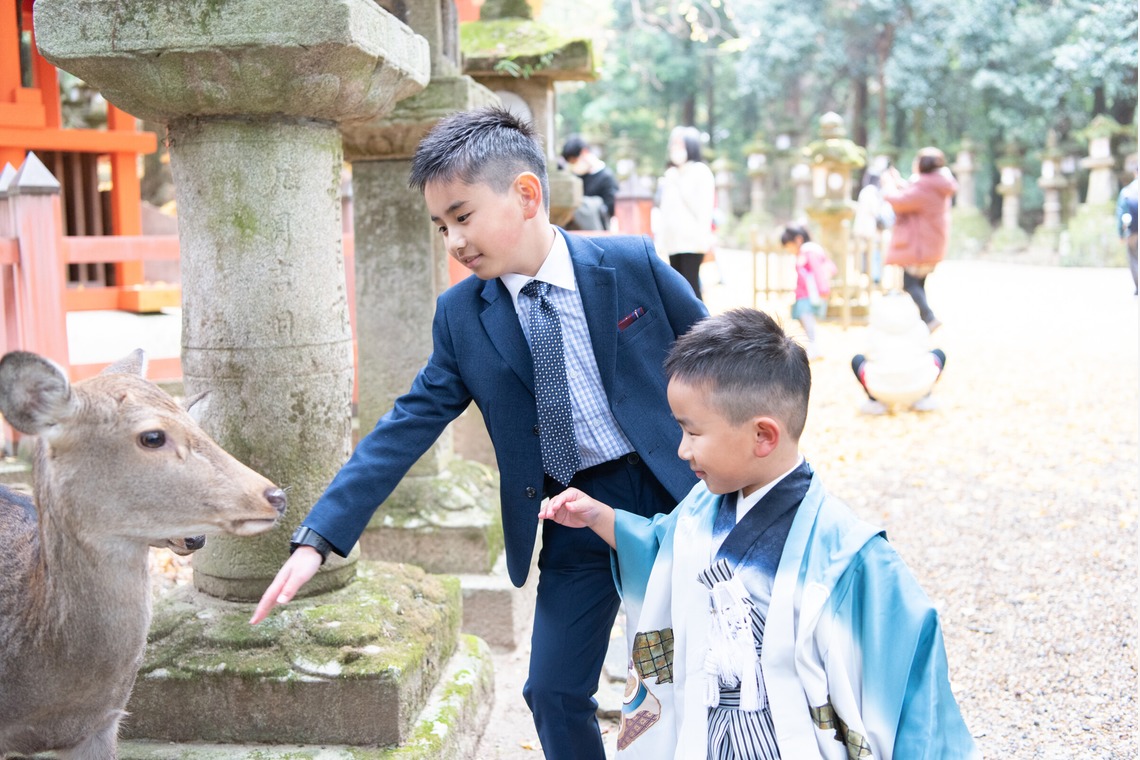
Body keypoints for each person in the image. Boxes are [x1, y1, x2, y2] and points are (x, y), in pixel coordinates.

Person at [250, 106, 709, 760]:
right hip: (572, 511)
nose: (453, 242)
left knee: (693, 669)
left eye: (462, 217)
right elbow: (404, 426)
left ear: (525, 194)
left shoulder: (627, 262)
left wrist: (768, 469)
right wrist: (318, 537)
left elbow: (725, 355)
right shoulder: (463, 316)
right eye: (441, 226)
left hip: (676, 491)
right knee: (551, 691)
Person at [539, 308, 978, 759]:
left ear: (763, 435)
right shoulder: (697, 513)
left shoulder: (848, 557)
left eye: (693, 431)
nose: (682, 449)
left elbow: (910, 682)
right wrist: (601, 519)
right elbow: (664, 552)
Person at [881, 147, 957, 332]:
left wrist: (888, 184)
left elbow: (899, 201)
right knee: (919, 283)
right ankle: (923, 321)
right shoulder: (937, 183)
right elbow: (912, 195)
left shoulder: (925, 185)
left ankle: (929, 317)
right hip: (931, 242)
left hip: (919, 245)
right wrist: (899, 182)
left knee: (909, 283)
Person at [851, 290, 947, 414]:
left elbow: (868, 354)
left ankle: (874, 401)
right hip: (919, 385)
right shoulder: (919, 326)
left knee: (857, 360)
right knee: (938, 354)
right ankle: (925, 398)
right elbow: (926, 349)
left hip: (880, 388)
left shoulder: (873, 330)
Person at [654, 126, 716, 301]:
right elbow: (664, 210)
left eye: (680, 145)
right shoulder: (671, 174)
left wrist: (676, 182)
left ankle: (702, 327)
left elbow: (702, 208)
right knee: (678, 290)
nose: (675, 149)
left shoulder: (700, 171)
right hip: (672, 242)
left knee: (691, 289)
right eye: (673, 145)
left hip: (692, 242)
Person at [781, 224, 835, 361]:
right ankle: (813, 346)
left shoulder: (809, 252)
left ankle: (814, 347)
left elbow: (817, 271)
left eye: (789, 246)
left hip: (810, 294)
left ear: (798, 240)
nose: (789, 250)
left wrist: (823, 289)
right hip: (806, 294)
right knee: (804, 319)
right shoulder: (808, 251)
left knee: (807, 319)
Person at [562, 134, 620, 231]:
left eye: (574, 161)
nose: (573, 166)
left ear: (584, 152)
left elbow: (611, 208)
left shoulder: (606, 177)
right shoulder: (576, 176)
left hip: (597, 230)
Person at [851, 160, 893, 286]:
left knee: (870, 254)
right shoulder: (871, 192)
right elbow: (875, 211)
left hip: (864, 228)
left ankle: (872, 276)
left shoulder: (866, 191)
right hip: (869, 229)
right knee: (873, 254)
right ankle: (875, 277)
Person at [1115, 169, 1138, 295]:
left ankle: (1138, 286)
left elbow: (1121, 212)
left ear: (1135, 173)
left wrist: (1120, 233)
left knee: (1134, 258)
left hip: (1133, 232)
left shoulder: (1128, 191)